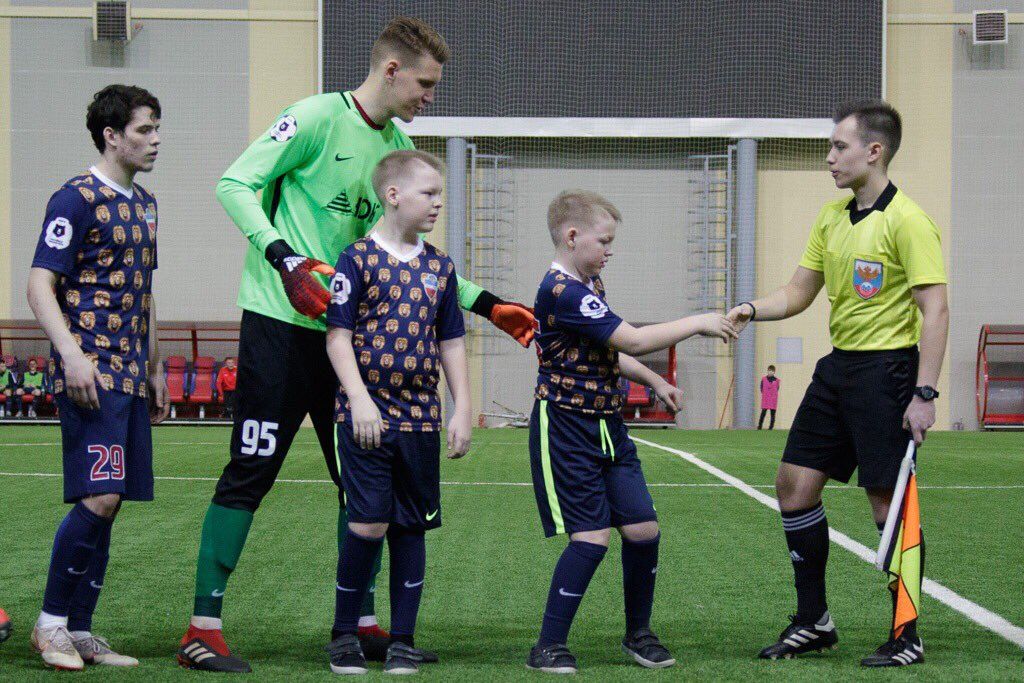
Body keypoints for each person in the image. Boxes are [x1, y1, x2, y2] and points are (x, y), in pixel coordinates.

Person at [177, 16, 535, 672]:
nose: (431, 96)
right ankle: (204, 623)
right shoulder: (313, 118)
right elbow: (234, 184)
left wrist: (487, 303)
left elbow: (409, 256)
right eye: (426, 83)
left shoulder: (397, 147)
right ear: (392, 69)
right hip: (279, 330)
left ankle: (362, 622)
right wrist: (284, 260)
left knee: (361, 485)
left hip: (355, 347)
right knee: (250, 472)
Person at [727, 100, 948, 667]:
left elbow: (936, 310)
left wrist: (924, 395)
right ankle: (813, 620)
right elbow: (799, 292)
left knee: (886, 501)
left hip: (888, 371)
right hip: (838, 369)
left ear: (874, 152)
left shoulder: (909, 220)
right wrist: (752, 308)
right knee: (793, 485)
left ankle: (906, 635)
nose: (829, 158)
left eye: (838, 147)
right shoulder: (831, 217)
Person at [525, 191, 737, 674]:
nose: (609, 250)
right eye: (605, 240)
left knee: (643, 530)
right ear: (572, 236)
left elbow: (611, 353)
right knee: (592, 539)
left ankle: (638, 634)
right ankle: (548, 644)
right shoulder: (562, 291)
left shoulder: (591, 282)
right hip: (567, 426)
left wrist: (656, 381)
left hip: (608, 426)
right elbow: (634, 338)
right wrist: (699, 322)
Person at [26, 84, 169, 670]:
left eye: (158, 128)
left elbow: (146, 292)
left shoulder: (146, 203)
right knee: (100, 495)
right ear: (111, 135)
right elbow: (39, 284)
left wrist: (157, 368)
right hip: (93, 373)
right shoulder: (75, 199)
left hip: (132, 375)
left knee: (115, 501)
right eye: (143, 130)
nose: (155, 139)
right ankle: (51, 624)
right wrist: (70, 354)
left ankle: (81, 629)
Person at [325, 150, 471, 675]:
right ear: (393, 195)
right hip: (366, 420)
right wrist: (359, 398)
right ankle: (344, 634)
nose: (437, 203)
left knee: (412, 527)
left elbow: (451, 342)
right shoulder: (356, 258)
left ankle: (404, 638)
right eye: (429, 193)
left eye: (439, 194)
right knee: (366, 524)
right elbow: (338, 339)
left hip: (421, 421)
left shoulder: (440, 267)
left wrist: (462, 409)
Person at [758, 364, 780, 430]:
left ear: (774, 372)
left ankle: (770, 428)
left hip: (773, 400)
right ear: (767, 371)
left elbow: (777, 388)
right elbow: (761, 388)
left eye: (772, 371)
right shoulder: (763, 379)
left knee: (772, 414)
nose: (770, 372)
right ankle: (759, 427)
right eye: (769, 370)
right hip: (765, 399)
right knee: (763, 414)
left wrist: (772, 395)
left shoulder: (777, 380)